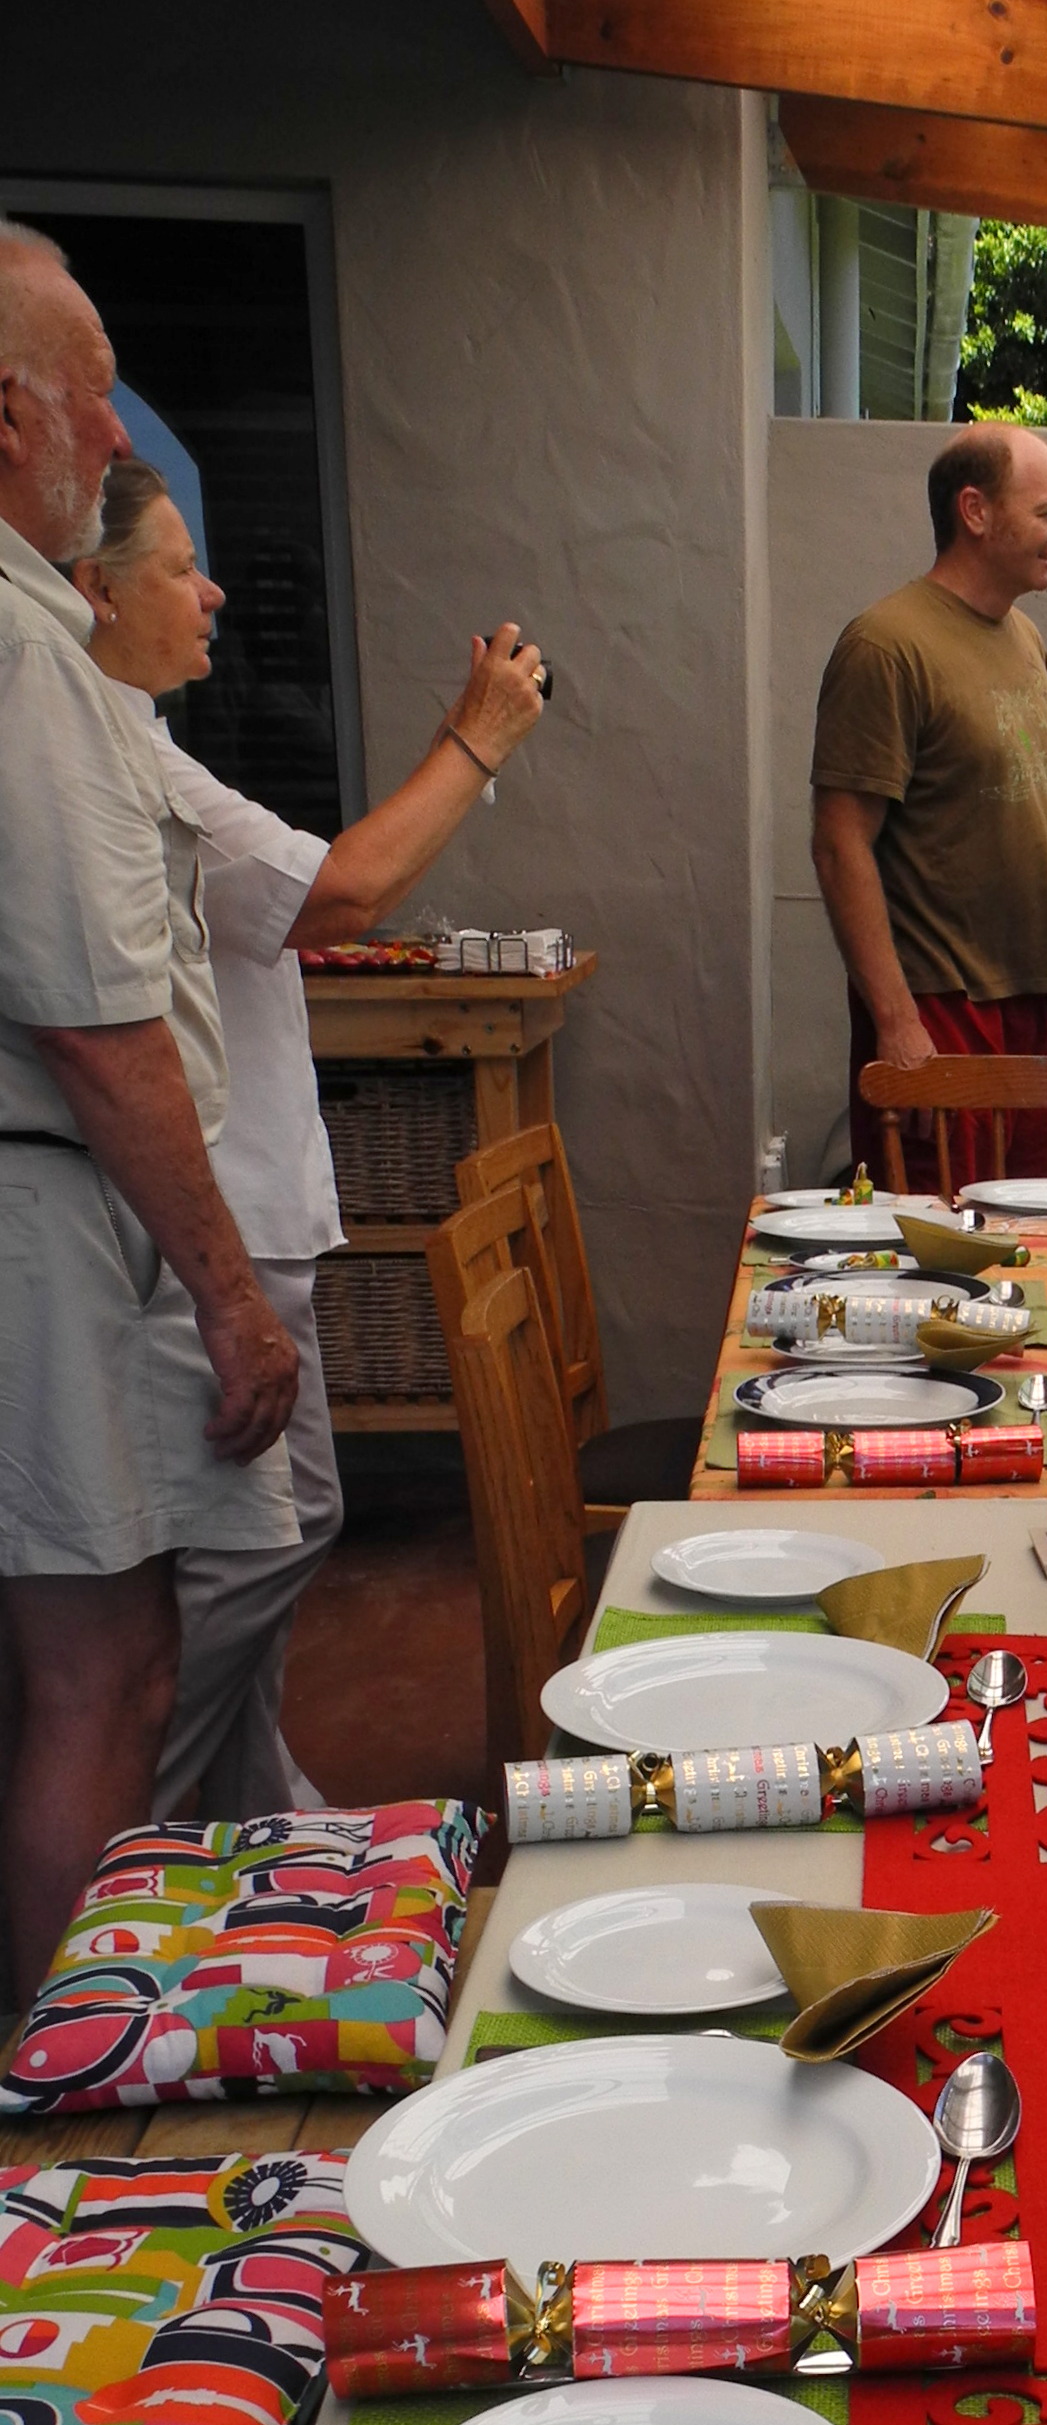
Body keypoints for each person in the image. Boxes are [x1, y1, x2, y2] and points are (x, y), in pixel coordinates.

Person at [72, 459, 549, 1819]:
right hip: (206, 1218)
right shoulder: (115, 762)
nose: (213, 592)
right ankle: (137, 1815)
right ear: (97, 592)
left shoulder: (137, 746)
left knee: (265, 1531)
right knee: (261, 1539)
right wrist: (478, 740)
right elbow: (340, 892)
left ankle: (253, 1808)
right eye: (181, 568)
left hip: (234, 1211)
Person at [0, 219, 298, 1999]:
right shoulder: (24, 651)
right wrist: (234, 1296)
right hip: (44, 1218)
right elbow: (98, 1023)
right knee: (97, 1678)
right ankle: (65, 2084)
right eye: (94, 396)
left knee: (99, 1669)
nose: (118, 435)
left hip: (54, 1215)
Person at [809, 424, 1047, 1195]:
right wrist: (897, 1021)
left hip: (1034, 996)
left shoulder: (1024, 638)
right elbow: (838, 845)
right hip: (940, 1005)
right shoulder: (885, 646)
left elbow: (989, 805)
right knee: (936, 1242)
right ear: (974, 511)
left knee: (1030, 1236)